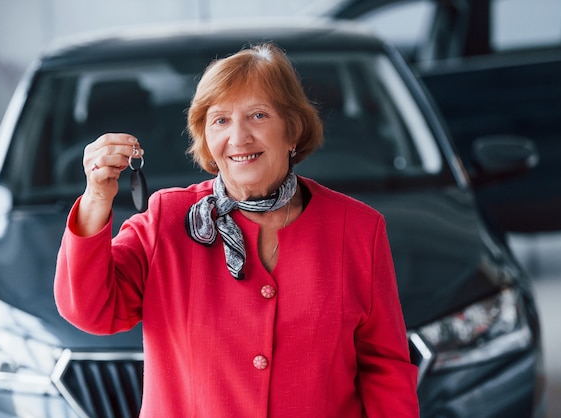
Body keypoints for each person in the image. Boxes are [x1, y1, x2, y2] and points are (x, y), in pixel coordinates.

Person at [54, 42, 419, 417]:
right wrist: (97, 198)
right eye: (221, 120)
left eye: (258, 115)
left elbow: (386, 371)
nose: (239, 138)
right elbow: (91, 310)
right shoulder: (167, 219)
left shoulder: (358, 230)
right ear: (207, 142)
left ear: (292, 131)